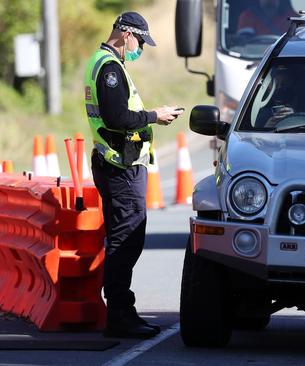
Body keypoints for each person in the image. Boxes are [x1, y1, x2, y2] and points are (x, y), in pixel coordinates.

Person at [83, 11, 182, 339]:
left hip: (113, 164)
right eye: (140, 41)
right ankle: (121, 315)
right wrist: (155, 115)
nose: (141, 48)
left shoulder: (101, 62)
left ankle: (119, 310)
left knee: (122, 239)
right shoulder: (110, 68)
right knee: (125, 241)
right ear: (126, 34)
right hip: (120, 168)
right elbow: (117, 118)